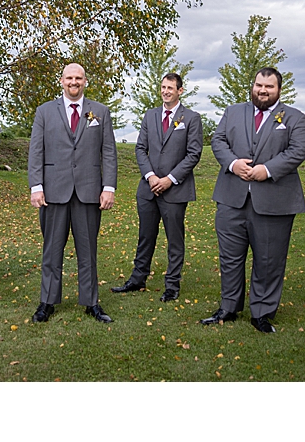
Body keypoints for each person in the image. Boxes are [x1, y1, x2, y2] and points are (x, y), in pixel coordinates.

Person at [204, 67, 305, 333]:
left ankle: (261, 312)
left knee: (269, 259)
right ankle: (229, 307)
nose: (263, 90)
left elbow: (298, 151)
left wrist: (268, 170)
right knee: (230, 257)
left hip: (274, 201)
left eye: (269, 87)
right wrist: (232, 163)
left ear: (278, 90)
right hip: (231, 198)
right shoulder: (232, 112)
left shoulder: (295, 117)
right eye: (259, 85)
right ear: (253, 86)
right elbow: (218, 141)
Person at [28, 63, 118, 323]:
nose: (74, 82)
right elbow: (36, 151)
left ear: (85, 81)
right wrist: (36, 186)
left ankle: (91, 302)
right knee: (52, 250)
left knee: (88, 250)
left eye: (78, 78)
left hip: (89, 192)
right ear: (61, 81)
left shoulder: (100, 112)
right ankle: (47, 302)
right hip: (53, 192)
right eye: (69, 78)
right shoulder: (44, 112)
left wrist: (108, 187)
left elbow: (109, 152)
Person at [112, 73, 203, 302]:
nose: (165, 91)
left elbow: (193, 154)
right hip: (148, 189)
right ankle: (137, 279)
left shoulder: (191, 118)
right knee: (145, 236)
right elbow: (140, 149)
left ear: (180, 91)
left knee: (174, 239)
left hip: (175, 190)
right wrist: (151, 177)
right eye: (163, 87)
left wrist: (169, 179)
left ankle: (172, 286)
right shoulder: (150, 115)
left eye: (170, 87)